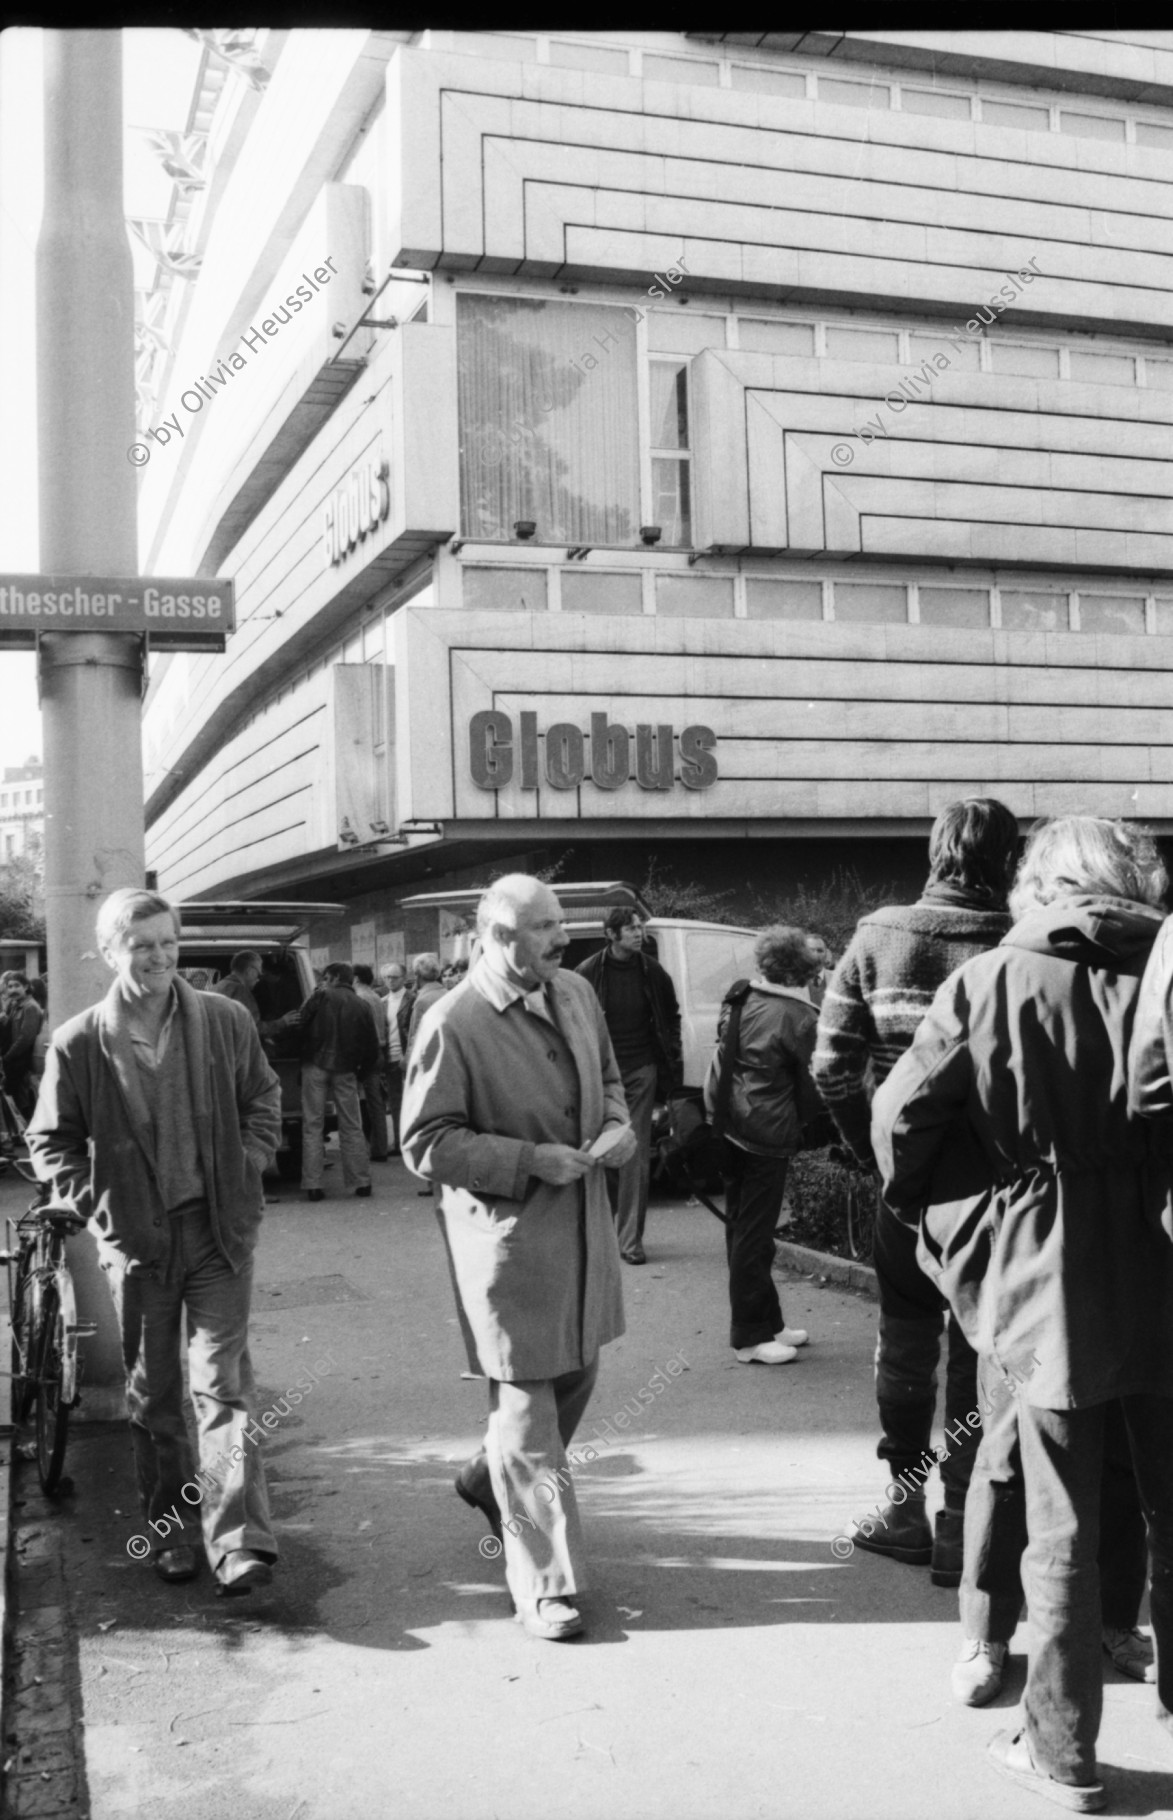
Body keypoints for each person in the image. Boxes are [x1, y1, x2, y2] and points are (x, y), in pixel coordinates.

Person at [872, 815, 1173, 1811]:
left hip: (1047, 1275)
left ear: (1039, 884)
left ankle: (1063, 1747)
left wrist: (948, 1220)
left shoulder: (991, 980)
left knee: (1064, 1520)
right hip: (1163, 1261)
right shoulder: (1164, 967)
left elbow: (901, 1119)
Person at [401, 873, 636, 1641]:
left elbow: (606, 1078)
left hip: (581, 1231)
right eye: (542, 928)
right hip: (507, 1247)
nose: (561, 938)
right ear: (496, 937)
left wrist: (618, 1125)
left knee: (576, 1374)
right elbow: (424, 1143)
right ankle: (544, 1586)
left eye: (559, 922)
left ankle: (481, 1477)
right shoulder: (452, 1020)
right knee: (529, 1412)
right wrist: (528, 1159)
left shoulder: (574, 990)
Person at [26, 887, 281, 1594]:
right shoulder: (79, 1042)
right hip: (137, 1240)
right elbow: (50, 1142)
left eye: (169, 942)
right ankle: (169, 1529)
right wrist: (96, 1203)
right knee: (156, 1395)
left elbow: (263, 1097)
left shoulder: (226, 1020)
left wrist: (250, 1159)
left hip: (217, 1230)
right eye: (143, 945)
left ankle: (238, 1541)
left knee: (223, 1387)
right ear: (111, 953)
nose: (161, 956)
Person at [812, 798, 1019, 1588]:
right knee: (976, 1349)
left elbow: (831, 1064)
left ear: (934, 852)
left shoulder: (876, 935)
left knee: (903, 1340)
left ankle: (901, 1504)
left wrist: (873, 1148)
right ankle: (961, 1522)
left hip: (906, 1189)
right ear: (1008, 858)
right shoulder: (1018, 940)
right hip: (996, 1193)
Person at [708, 926, 821, 1365]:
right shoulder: (798, 1016)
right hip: (768, 1133)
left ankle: (770, 1323)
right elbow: (814, 1083)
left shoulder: (741, 997)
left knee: (743, 1230)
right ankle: (749, 1338)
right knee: (753, 1238)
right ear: (803, 970)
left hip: (731, 1123)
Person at [576, 906, 682, 1265]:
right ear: (611, 934)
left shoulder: (653, 972)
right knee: (599, 1150)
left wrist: (672, 1057)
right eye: (632, 929)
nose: (640, 934)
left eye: (641, 928)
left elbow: (671, 1017)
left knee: (634, 1153)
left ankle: (630, 1242)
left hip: (641, 1071)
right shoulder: (588, 973)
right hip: (600, 1075)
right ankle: (600, 1234)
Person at [296, 961, 380, 1202]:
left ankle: (313, 1184)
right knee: (352, 1125)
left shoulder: (318, 998)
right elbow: (371, 1046)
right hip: (346, 1068)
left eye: (325, 977)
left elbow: (300, 1026)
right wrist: (360, 1072)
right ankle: (361, 1181)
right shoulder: (362, 1004)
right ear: (350, 979)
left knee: (313, 1125)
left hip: (315, 1064)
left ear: (332, 977)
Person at [212, 950, 298, 1044]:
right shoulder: (241, 991)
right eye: (259, 975)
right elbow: (254, 1028)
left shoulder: (218, 987)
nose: (258, 980)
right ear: (250, 971)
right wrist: (282, 1022)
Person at [352, 964, 390, 1162]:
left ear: (356, 978)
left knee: (361, 1102)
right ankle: (379, 1147)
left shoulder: (359, 998)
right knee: (376, 1102)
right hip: (379, 1051)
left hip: (366, 1052)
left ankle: (367, 1146)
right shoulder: (375, 996)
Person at [2, 972, 45, 1119]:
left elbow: (25, 1038)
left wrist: (7, 1057)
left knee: (20, 1097)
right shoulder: (15, 1005)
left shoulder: (30, 1007)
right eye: (9, 986)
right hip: (14, 1058)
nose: (12, 990)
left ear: (26, 987)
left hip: (21, 1059)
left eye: (16, 986)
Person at [379, 961, 408, 1156]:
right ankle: (398, 1142)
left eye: (394, 977)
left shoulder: (413, 999)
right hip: (389, 1059)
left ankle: (406, 1143)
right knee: (395, 1103)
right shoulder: (382, 1002)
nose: (390, 981)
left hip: (406, 1057)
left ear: (404, 978)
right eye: (387, 977)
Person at [405, 954, 446, 1059]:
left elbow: (416, 1036)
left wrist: (407, 1061)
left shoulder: (422, 1001)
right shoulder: (447, 993)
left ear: (416, 975)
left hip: (427, 1057)